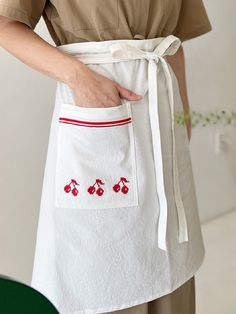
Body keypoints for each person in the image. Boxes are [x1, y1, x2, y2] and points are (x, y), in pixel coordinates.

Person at [0, 1, 212, 314]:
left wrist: (182, 110)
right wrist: (77, 77)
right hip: (96, 111)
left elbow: (174, 40)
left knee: (169, 258)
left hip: (162, 111)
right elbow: (5, 24)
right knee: (100, 271)